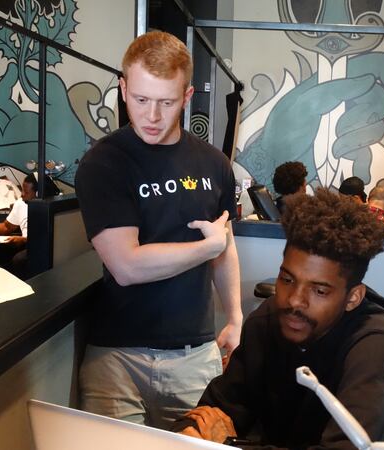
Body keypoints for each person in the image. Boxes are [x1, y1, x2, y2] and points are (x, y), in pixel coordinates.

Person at [74, 31, 242, 429]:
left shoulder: (215, 165)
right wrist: (205, 248)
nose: (151, 116)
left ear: (186, 97)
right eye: (140, 100)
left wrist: (235, 317)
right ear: (123, 87)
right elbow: (127, 266)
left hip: (195, 353)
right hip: (117, 358)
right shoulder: (104, 164)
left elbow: (225, 246)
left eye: (166, 102)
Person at [175, 188, 384, 448]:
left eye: (319, 290)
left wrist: (230, 444)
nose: (294, 300)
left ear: (353, 297)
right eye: (287, 279)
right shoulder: (266, 322)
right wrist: (190, 433)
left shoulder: (372, 346)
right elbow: (218, 408)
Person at [0, 173, 37, 278]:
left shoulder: (46, 208)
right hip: (22, 242)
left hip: (36, 246)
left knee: (19, 259)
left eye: (26, 192)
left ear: (38, 193)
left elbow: (43, 238)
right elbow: (7, 227)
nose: (22, 194)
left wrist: (24, 240)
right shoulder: (20, 203)